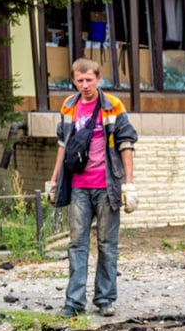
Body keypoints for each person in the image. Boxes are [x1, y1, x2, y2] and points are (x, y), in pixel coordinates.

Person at [48, 58, 138, 317]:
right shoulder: (68, 106)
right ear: (73, 80)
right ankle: (74, 302)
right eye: (79, 80)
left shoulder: (112, 106)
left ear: (98, 78)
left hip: (107, 186)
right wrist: (53, 180)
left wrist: (129, 184)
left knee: (107, 244)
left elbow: (127, 143)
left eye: (89, 80)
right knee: (77, 243)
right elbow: (62, 144)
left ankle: (105, 299)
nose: (84, 85)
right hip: (78, 187)